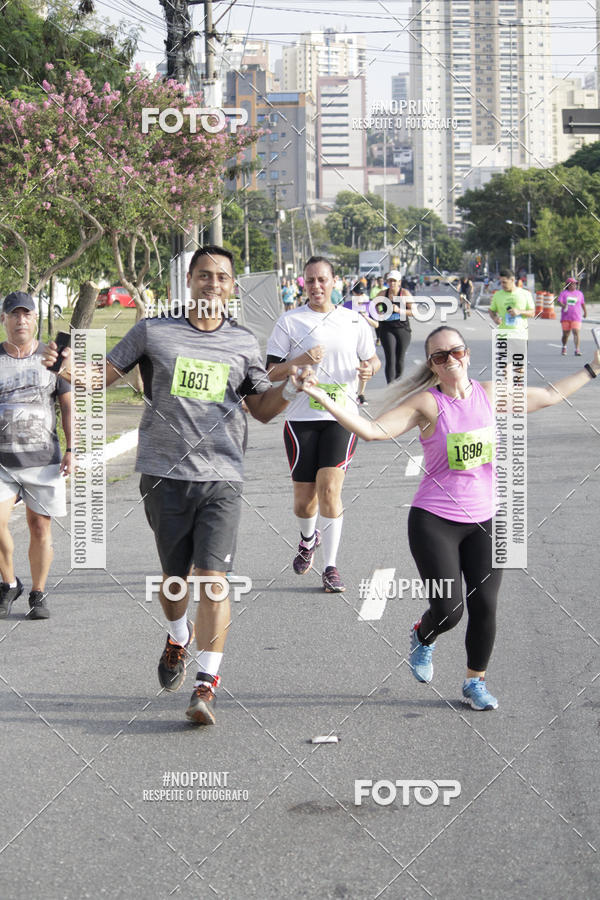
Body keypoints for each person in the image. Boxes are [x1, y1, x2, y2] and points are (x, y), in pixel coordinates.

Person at [45, 246, 292, 726]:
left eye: (221, 278)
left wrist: (291, 389)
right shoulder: (152, 331)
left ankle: (206, 684)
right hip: (163, 473)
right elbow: (101, 377)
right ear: (189, 282)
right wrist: (65, 368)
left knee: (214, 583)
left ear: (232, 288)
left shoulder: (242, 343)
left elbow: (261, 408)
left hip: (222, 476)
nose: (212, 285)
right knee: (175, 582)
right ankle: (178, 635)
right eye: (204, 276)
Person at [294, 325, 600, 710]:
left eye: (456, 352)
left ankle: (475, 682)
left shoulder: (490, 395)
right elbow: (372, 431)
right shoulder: (426, 404)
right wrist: (319, 394)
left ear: (467, 354)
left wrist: (592, 369)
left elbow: (550, 396)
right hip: (435, 520)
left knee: (486, 604)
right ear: (434, 366)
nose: (450, 360)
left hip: (487, 518)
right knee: (450, 610)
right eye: (440, 356)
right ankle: (423, 635)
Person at [266, 256, 380, 592]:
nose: (316, 286)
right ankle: (307, 538)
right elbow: (270, 372)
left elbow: (371, 357)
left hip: (341, 416)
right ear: (303, 284)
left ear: (335, 282)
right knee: (304, 501)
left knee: (330, 489)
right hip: (300, 417)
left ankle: (331, 568)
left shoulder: (353, 321)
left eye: (322, 280)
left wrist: (370, 368)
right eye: (310, 281)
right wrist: (301, 361)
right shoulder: (289, 322)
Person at [0, 291, 72, 620]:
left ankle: (38, 593)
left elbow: (68, 406)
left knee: (39, 527)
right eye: (14, 314)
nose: (20, 320)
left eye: (26, 314)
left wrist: (72, 448)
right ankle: (9, 582)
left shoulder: (52, 357)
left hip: (43, 461)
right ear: (4, 320)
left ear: (34, 319)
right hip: (2, 462)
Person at [375, 269, 413, 383]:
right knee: (390, 358)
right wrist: (378, 313)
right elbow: (373, 306)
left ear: (399, 282)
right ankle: (390, 386)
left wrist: (400, 310)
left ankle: (398, 384)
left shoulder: (404, 294)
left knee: (399, 359)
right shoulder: (383, 294)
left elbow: (414, 311)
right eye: (390, 281)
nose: (392, 283)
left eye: (395, 281)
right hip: (387, 329)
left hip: (403, 329)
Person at [489, 268, 535, 334]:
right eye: (501, 282)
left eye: (504, 282)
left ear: (512, 280)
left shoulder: (525, 294)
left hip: (520, 335)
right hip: (502, 335)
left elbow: (532, 313)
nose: (502, 285)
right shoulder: (497, 295)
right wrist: (495, 318)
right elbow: (491, 310)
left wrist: (519, 312)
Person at [557, 276, 586, 356]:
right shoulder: (563, 293)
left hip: (576, 317)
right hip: (566, 317)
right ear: (568, 285)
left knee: (576, 332)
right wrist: (564, 306)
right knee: (566, 335)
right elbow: (559, 302)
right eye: (572, 284)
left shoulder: (579, 293)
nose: (574, 285)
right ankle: (564, 346)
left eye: (575, 284)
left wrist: (585, 312)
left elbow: (583, 303)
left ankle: (577, 350)